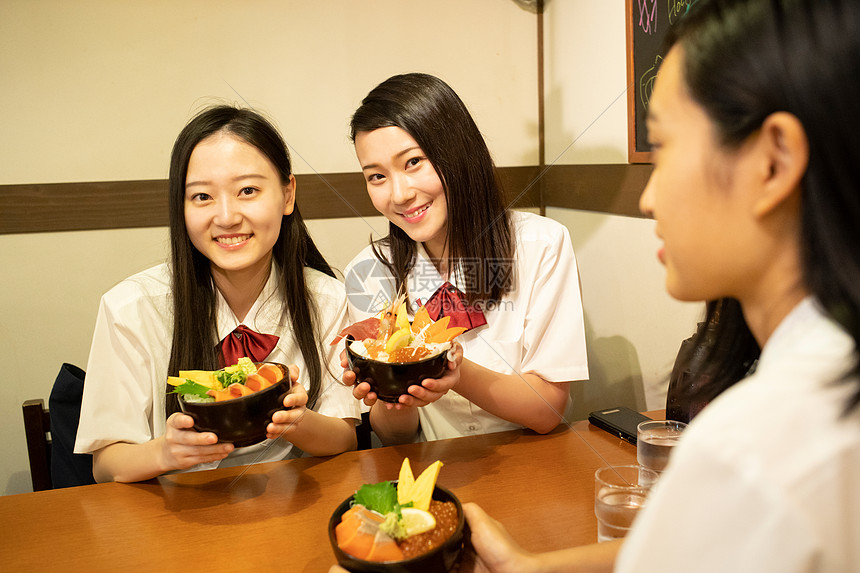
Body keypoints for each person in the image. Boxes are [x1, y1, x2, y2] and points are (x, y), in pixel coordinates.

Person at [451, 0, 860, 571]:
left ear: (773, 161)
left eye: (663, 148)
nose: (647, 197)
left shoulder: (756, 445)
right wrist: (529, 567)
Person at [75, 105, 360, 483]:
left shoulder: (326, 298)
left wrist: (296, 420)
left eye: (247, 190)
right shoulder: (130, 308)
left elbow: (345, 437)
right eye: (202, 197)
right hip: (179, 517)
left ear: (288, 194)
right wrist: (167, 451)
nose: (226, 217)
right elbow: (106, 464)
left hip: (293, 510)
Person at [340, 73, 589, 444]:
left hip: (534, 462)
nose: (399, 194)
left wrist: (448, 365)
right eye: (376, 176)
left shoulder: (541, 245)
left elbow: (547, 410)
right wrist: (394, 386)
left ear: (458, 153)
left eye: (413, 162)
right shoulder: (369, 271)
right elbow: (396, 438)